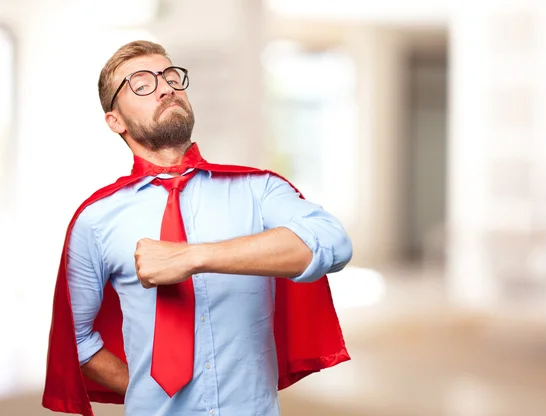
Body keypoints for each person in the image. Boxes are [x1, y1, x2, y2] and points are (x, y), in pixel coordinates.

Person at [42, 40, 352, 416]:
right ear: (116, 120)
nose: (166, 87)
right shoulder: (95, 219)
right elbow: (76, 341)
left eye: (170, 76)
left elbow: (332, 242)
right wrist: (146, 390)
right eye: (142, 83)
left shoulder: (258, 190)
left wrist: (192, 257)